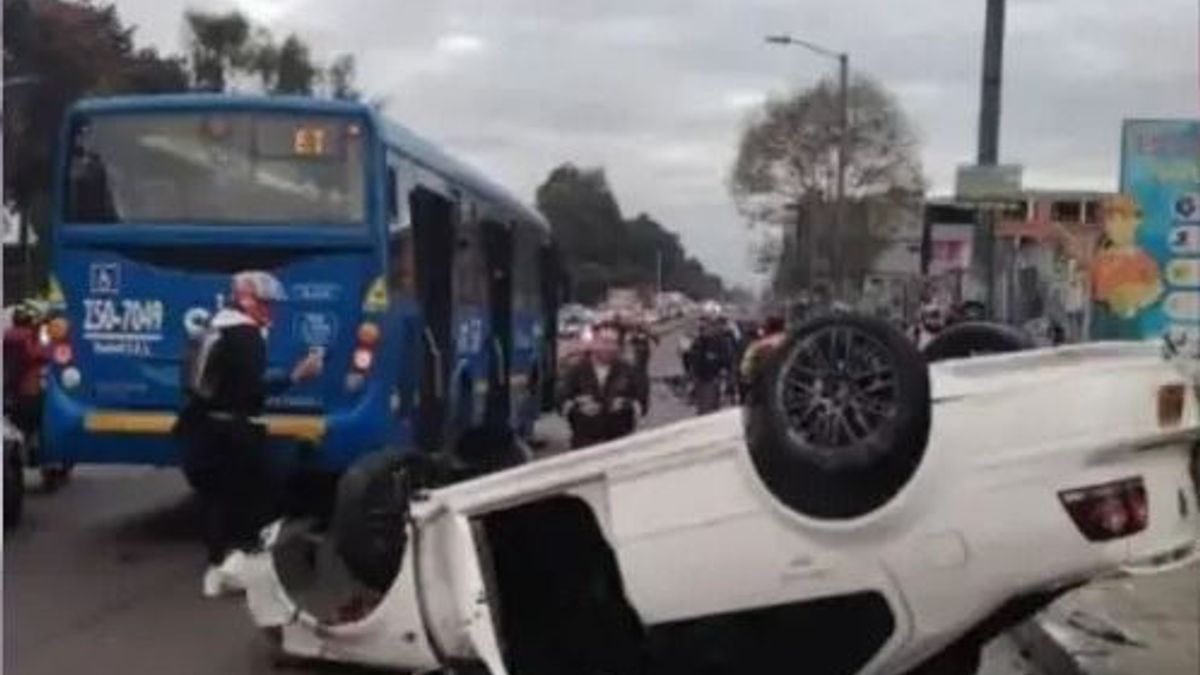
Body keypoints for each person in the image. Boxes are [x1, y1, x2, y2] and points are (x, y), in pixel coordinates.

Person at [173, 271, 323, 598]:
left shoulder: (211, 328)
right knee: (265, 496)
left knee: (214, 500)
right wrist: (296, 375)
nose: (272, 313)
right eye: (267, 305)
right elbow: (253, 392)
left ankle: (216, 566)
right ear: (248, 302)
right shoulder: (247, 336)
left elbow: (191, 379)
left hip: (200, 428)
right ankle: (252, 566)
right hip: (232, 432)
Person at [557, 326, 648, 450]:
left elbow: (643, 403)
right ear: (594, 343)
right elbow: (560, 401)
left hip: (621, 441)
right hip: (585, 442)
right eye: (604, 342)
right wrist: (577, 407)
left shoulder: (629, 371)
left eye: (613, 343)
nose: (609, 347)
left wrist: (626, 404)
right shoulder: (576, 370)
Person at [3, 301, 47, 438]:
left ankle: (16, 449)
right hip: (29, 392)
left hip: (11, 389)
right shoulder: (27, 336)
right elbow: (34, 355)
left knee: (16, 426)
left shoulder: (7, 336)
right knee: (32, 426)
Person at [686, 316, 735, 414]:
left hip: (713, 378)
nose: (703, 331)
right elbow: (691, 359)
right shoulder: (698, 341)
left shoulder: (720, 341)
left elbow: (727, 360)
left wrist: (717, 362)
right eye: (701, 329)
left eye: (705, 328)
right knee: (703, 408)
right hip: (700, 378)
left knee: (710, 407)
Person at [739, 315, 787, 400]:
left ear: (766, 329)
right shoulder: (792, 342)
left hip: (764, 387)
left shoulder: (758, 346)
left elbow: (746, 369)